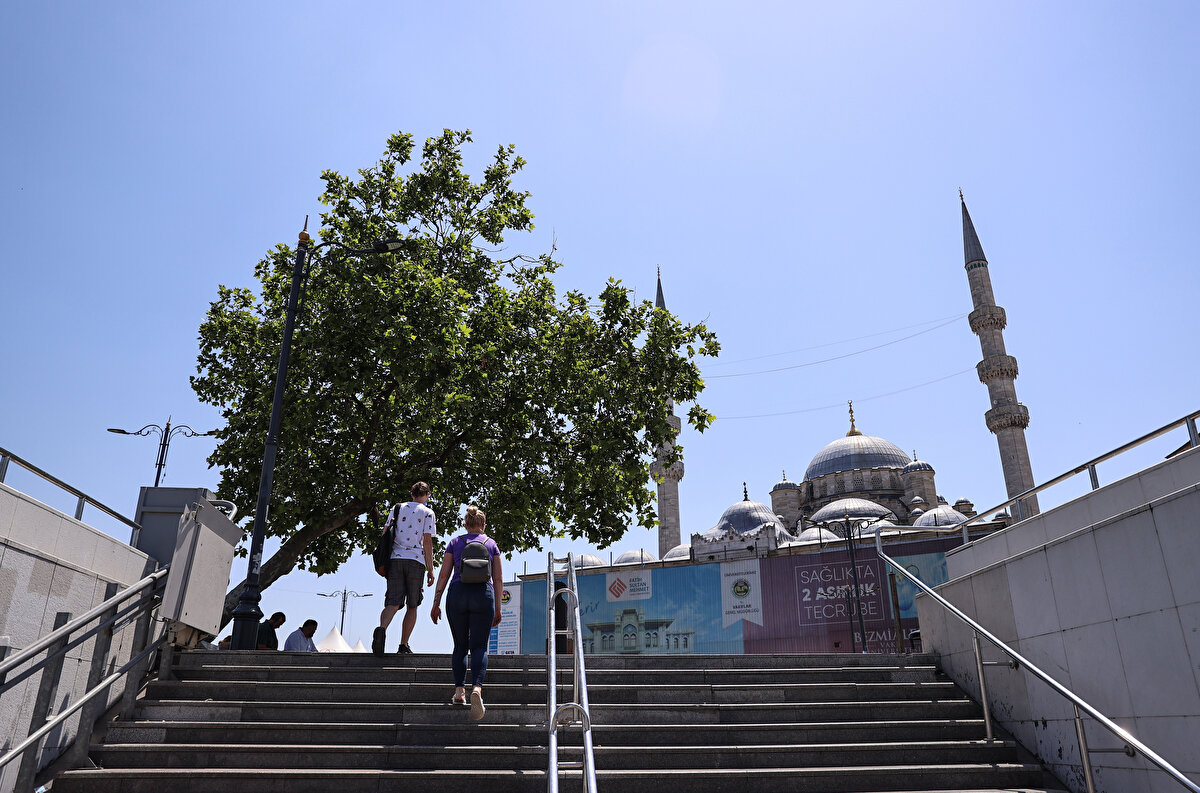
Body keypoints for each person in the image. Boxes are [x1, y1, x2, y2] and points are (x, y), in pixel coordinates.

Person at [430, 505, 502, 721]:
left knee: (460, 645)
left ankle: (460, 692)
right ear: (483, 524)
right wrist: (498, 607)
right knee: (479, 646)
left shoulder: (455, 542)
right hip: (483, 595)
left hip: (458, 594)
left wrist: (436, 603)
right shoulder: (491, 544)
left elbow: (444, 575)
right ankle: (477, 689)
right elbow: (498, 578)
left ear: (465, 524)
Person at [374, 481, 436, 656]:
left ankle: (381, 629)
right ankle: (403, 644)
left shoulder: (397, 508)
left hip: (395, 559)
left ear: (412, 494)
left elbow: (385, 532)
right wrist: (430, 569)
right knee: (412, 605)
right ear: (427, 495)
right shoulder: (428, 513)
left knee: (393, 602)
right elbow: (427, 541)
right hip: (416, 561)